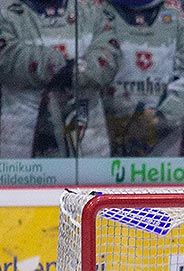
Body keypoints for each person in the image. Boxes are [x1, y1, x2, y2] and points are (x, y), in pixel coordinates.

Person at [0, 0, 120, 158]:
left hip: (89, 147)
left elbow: (109, 55)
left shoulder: (92, 11)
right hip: (21, 148)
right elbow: (7, 57)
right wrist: (56, 67)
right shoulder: (5, 12)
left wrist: (74, 72)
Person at [102, 0, 184, 156]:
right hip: (106, 142)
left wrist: (159, 120)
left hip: (161, 150)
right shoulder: (95, 13)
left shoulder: (175, 16)